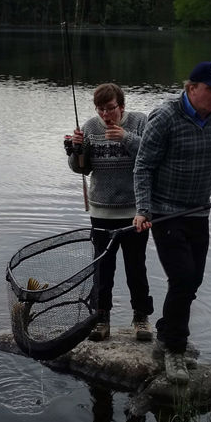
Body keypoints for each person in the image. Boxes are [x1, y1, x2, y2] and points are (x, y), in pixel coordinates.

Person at [132, 62, 211, 385]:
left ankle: (163, 333)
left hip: (199, 210)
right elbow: (143, 166)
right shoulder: (166, 116)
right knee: (183, 277)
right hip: (165, 211)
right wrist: (143, 209)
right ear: (191, 88)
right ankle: (175, 350)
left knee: (193, 280)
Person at [68, 83, 154, 342]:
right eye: (101, 109)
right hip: (101, 209)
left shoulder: (139, 122)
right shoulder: (90, 127)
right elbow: (81, 169)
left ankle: (141, 318)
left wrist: (125, 137)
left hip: (135, 211)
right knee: (103, 268)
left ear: (122, 106)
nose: (106, 115)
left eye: (111, 109)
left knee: (136, 266)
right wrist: (76, 150)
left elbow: (152, 154)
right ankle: (101, 317)